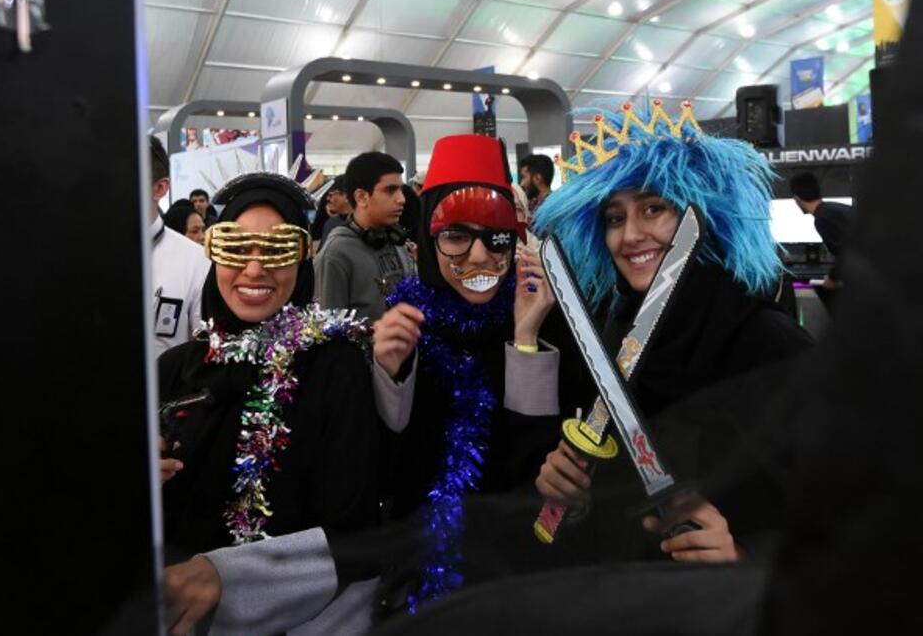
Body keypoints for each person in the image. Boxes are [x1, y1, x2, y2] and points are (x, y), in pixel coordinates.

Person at [531, 99, 813, 565]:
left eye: (654, 208)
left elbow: (851, 509)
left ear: (702, 215)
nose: (630, 236)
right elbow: (616, 508)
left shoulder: (768, 342)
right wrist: (575, 494)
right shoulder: (616, 333)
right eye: (615, 218)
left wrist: (746, 556)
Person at [369, 134, 589, 612]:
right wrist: (388, 372)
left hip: (515, 582)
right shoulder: (403, 324)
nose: (478, 258)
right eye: (455, 236)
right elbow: (381, 469)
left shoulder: (549, 319)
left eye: (496, 238)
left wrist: (527, 338)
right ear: (428, 238)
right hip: (414, 584)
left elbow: (535, 473)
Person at [157, 172, 382, 636]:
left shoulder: (334, 367)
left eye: (277, 249)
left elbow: (354, 535)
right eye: (237, 248)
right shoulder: (175, 368)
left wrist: (224, 577)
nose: (255, 270)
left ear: (303, 257)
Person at [314, 152, 413, 321]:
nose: (401, 199)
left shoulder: (397, 241)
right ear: (361, 197)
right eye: (390, 190)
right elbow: (328, 327)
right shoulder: (336, 254)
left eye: (401, 190)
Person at [150, 136, 211, 356]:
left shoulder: (195, 261)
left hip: (168, 388)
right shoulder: (82, 256)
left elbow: (206, 348)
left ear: (159, 188)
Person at [789, 171, 852, 291]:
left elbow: (846, 255)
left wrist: (832, 279)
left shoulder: (822, 218)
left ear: (796, 199)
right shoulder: (834, 209)